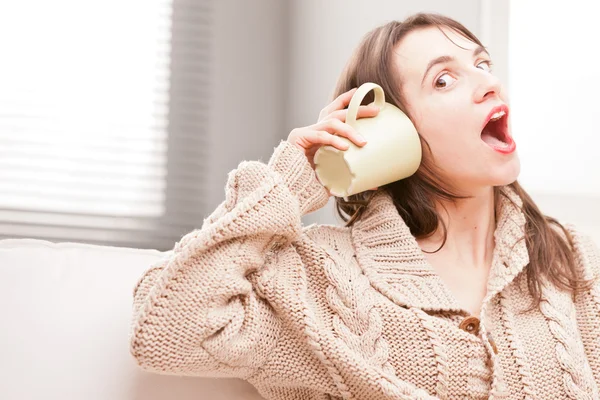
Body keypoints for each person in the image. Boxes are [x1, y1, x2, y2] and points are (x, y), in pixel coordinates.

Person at [128, 13, 600, 400]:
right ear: (389, 126)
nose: (487, 83)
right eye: (444, 79)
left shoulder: (574, 262)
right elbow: (167, 327)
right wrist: (290, 181)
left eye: (482, 63)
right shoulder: (317, 277)